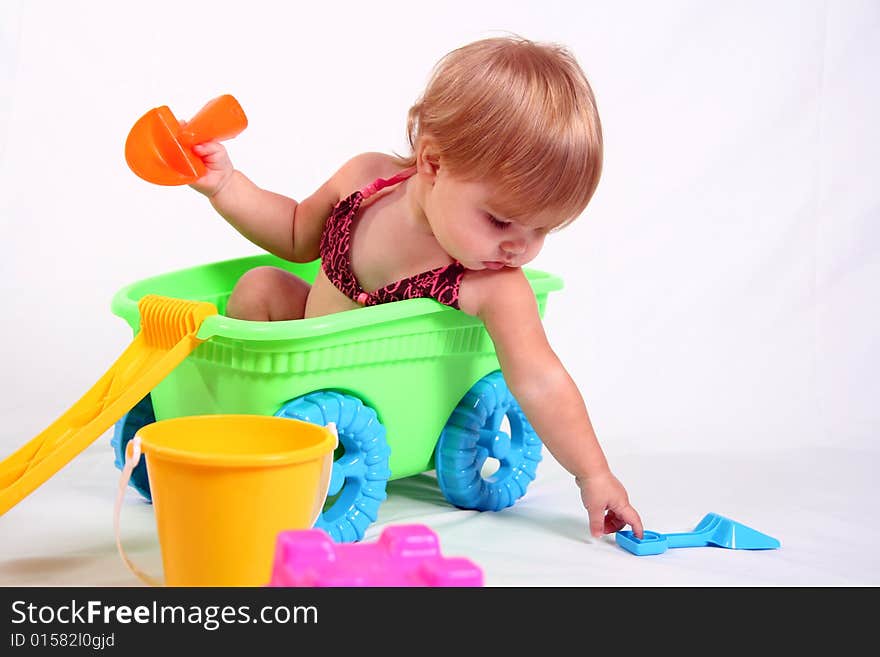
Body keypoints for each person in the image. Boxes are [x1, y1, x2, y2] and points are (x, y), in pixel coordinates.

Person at [189, 35, 644, 540]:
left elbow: (540, 380)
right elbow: (296, 233)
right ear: (432, 162)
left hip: (379, 403)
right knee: (259, 285)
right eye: (499, 221)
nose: (520, 248)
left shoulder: (493, 286)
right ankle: (244, 425)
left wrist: (593, 475)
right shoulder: (365, 183)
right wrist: (226, 186)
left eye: (542, 230)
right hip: (301, 369)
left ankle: (270, 450)